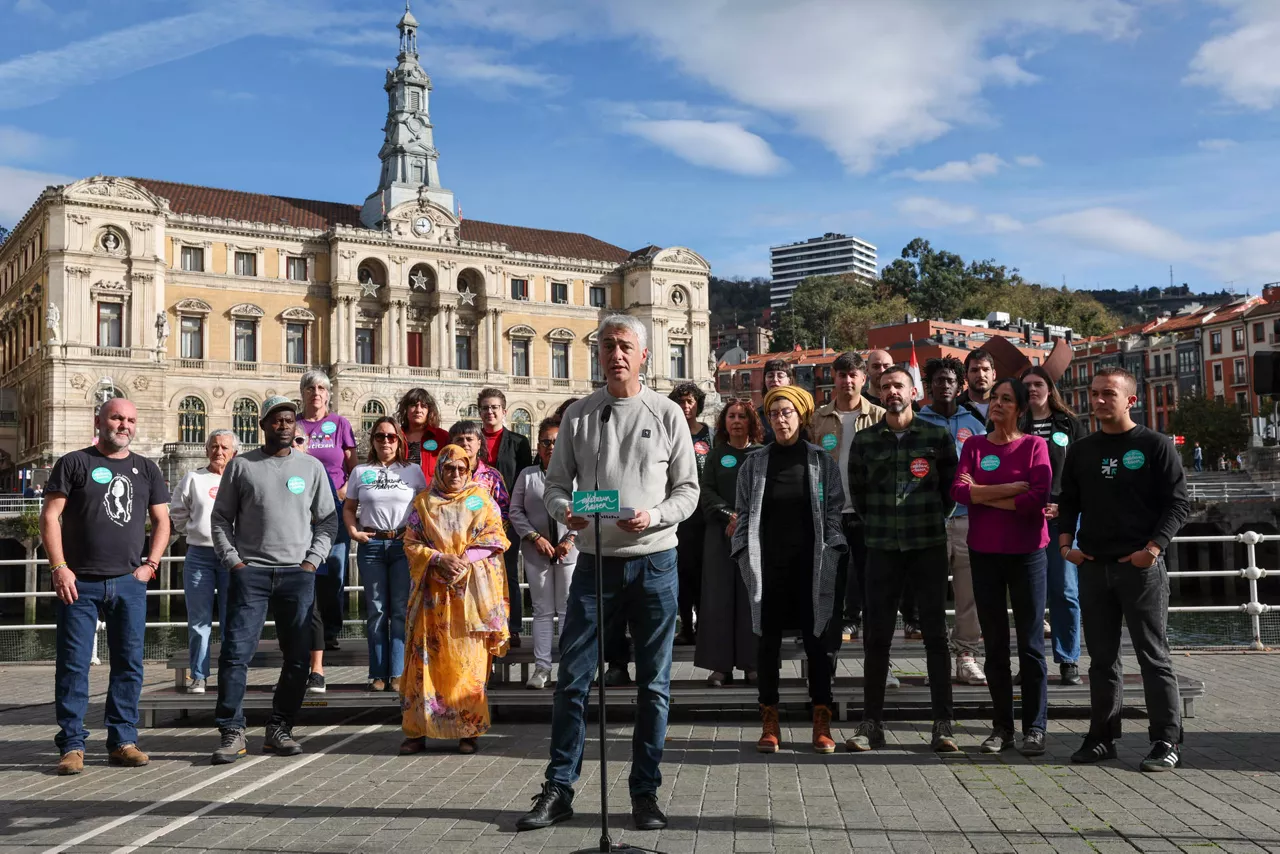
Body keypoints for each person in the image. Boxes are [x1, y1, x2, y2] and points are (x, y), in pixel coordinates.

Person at [516, 314, 699, 833]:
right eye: (606, 346)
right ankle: (559, 787)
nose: (615, 354)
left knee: (654, 687)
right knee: (572, 681)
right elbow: (554, 486)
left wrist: (655, 515)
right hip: (595, 564)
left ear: (644, 355)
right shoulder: (580, 415)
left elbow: (688, 491)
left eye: (624, 346)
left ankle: (644, 793)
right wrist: (564, 510)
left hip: (655, 562)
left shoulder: (666, 414)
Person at [1058, 367, 1190, 772]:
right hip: (1094, 568)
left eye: (1108, 394)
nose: (1098, 401)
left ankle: (1166, 741)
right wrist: (1066, 546)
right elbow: (1069, 502)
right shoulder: (1081, 450)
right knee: (1101, 660)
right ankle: (1101, 738)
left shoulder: (1155, 445)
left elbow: (1179, 503)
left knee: (1154, 658)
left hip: (1140, 569)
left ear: (1130, 400)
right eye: (1094, 394)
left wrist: (1153, 549)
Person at [42, 399, 171, 775]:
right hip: (78, 582)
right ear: (99, 421)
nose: (123, 424)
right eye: (116, 417)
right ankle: (72, 745)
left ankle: (123, 741)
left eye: (130, 419)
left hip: (129, 582)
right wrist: (59, 567)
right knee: (73, 666)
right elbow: (50, 516)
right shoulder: (74, 463)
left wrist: (151, 564)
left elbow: (162, 521)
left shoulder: (147, 469)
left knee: (129, 664)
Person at [209, 396, 337, 765]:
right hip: (251, 575)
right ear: (263, 425)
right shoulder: (241, 467)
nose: (284, 425)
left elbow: (327, 521)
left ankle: (279, 728)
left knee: (297, 657)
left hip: (298, 575)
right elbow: (221, 519)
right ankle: (232, 731)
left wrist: (312, 561)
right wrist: (234, 562)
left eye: (289, 420)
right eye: (276, 420)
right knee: (235, 654)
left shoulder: (311, 468)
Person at [845, 366, 960, 753]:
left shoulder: (937, 437)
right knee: (876, 638)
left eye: (899, 386)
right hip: (880, 547)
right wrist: (880, 525)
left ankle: (942, 724)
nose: (892, 391)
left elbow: (950, 493)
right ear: (877, 392)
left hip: (927, 545)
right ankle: (871, 723)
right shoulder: (865, 441)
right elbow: (858, 496)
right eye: (885, 386)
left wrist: (928, 521)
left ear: (914, 392)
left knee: (935, 638)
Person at [733, 385, 846, 754]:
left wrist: (831, 550)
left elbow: (833, 513)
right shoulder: (754, 463)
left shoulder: (821, 462)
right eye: (774, 413)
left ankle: (821, 721)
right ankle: (770, 723)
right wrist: (744, 556)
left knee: (817, 644)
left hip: (811, 567)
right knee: (766, 645)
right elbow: (744, 513)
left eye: (787, 412)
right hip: (768, 568)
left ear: (802, 416)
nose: (780, 419)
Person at [953, 377, 1052, 756]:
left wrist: (982, 494)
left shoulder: (1034, 446)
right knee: (994, 646)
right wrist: (1011, 489)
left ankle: (1036, 728)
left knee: (1029, 645)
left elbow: (1037, 498)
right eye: (994, 397)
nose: (996, 404)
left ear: (1021, 409)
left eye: (1006, 399)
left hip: (1027, 554)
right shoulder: (975, 445)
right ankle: (1002, 728)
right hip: (984, 554)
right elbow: (960, 493)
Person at [399, 444, 510, 755]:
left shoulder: (481, 499)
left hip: (470, 596)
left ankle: (468, 731)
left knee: (467, 664)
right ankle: (417, 731)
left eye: (462, 468)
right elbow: (410, 542)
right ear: (440, 469)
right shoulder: (424, 503)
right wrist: (436, 558)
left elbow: (496, 537)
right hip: (432, 596)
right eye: (450, 468)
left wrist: (463, 559)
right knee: (425, 663)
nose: (457, 474)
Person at [916, 357, 988, 687]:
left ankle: (967, 655)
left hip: (967, 520)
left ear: (960, 386)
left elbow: (988, 468)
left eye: (949, 380)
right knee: (929, 592)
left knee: (969, 593)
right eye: (938, 380)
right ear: (928, 386)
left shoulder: (974, 423)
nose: (944, 385)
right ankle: (938, 657)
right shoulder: (916, 423)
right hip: (930, 521)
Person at [344, 417, 428, 692]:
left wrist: (415, 534)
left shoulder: (413, 471)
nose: (386, 442)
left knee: (401, 610)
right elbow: (349, 507)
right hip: (372, 545)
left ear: (399, 441)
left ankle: (398, 672)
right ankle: (377, 673)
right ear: (373, 441)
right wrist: (354, 531)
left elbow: (424, 508)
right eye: (380, 437)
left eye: (391, 437)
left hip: (402, 544)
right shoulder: (360, 472)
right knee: (377, 611)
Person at [808, 352, 884, 651]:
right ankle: (828, 665)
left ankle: (880, 663)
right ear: (834, 379)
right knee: (830, 589)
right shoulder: (818, 419)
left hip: (869, 516)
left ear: (864, 378)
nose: (847, 380)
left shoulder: (879, 416)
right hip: (831, 516)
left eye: (853, 375)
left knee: (873, 590)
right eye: (842, 375)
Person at [1022, 366, 1087, 686]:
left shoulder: (1070, 425)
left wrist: (1065, 505)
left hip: (1062, 520)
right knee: (1027, 596)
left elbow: (1082, 472)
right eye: (1027, 385)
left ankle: (1068, 660)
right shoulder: (1012, 423)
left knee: (1065, 591)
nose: (1032, 389)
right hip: (1022, 519)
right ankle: (1030, 661)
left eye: (1038, 384)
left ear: (1050, 388)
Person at [297, 370, 356, 693]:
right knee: (302, 572)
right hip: (300, 511)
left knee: (334, 570)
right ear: (303, 393)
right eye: (310, 388)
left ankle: (331, 631)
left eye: (320, 388)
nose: (315, 393)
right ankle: (302, 629)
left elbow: (352, 464)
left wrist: (346, 492)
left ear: (328, 394)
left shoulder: (340, 424)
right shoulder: (295, 424)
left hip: (333, 508)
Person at [696, 399, 762, 687]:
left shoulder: (763, 454)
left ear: (751, 422)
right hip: (720, 536)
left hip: (755, 535)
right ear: (724, 422)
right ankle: (719, 667)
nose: (736, 421)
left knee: (752, 599)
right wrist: (729, 515)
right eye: (731, 416)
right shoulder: (716, 455)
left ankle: (753, 664)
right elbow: (706, 491)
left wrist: (745, 517)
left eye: (742, 416)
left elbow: (767, 491)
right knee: (717, 600)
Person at [510, 417, 578, 689]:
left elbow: (588, 509)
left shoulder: (576, 475)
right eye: (546, 442)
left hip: (569, 552)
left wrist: (570, 538)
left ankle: (569, 666)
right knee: (541, 610)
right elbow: (515, 511)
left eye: (556, 442)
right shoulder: (528, 475)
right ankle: (542, 668)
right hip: (537, 552)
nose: (551, 447)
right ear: (538, 446)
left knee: (567, 610)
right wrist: (534, 537)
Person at [171, 429, 239, 694]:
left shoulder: (239, 479)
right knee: (198, 620)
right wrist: (193, 530)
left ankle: (230, 675)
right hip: (199, 554)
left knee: (231, 619)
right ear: (206, 449)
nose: (218, 452)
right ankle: (199, 674)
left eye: (224, 447)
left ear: (234, 452)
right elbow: (177, 511)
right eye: (214, 446)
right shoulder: (193, 478)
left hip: (231, 556)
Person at [477, 388, 534, 647]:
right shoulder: (471, 440)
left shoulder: (519, 442)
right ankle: (484, 624)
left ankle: (513, 626)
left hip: (508, 518)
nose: (490, 412)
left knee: (509, 571)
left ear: (504, 411)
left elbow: (523, 479)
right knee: (480, 574)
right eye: (485, 408)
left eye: (495, 407)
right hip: (476, 520)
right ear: (479, 411)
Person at [671, 381, 711, 645]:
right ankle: (686, 626)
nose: (686, 407)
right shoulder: (670, 432)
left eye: (690, 401)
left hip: (705, 513)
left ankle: (707, 626)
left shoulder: (710, 434)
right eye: (682, 401)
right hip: (679, 514)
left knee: (705, 573)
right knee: (682, 572)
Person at [448, 420, 510, 517]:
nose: (465, 443)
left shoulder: (491, 476)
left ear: (479, 443)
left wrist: (490, 529)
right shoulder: (444, 474)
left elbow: (505, 510)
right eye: (459, 440)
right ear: (452, 444)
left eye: (469, 439)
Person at [397, 387, 450, 476]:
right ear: (405, 409)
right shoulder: (396, 436)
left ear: (429, 411)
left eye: (423, 406)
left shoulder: (443, 437)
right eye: (413, 405)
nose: (418, 410)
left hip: (431, 489)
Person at [756, 359, 793, 444]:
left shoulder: (800, 410)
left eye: (780, 375)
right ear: (765, 380)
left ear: (789, 381)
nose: (775, 379)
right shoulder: (757, 415)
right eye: (770, 376)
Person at [958, 350, 996, 420]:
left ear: (993, 374)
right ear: (965, 376)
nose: (981, 375)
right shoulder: (955, 407)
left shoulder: (1004, 405)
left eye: (985, 369)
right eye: (975, 370)